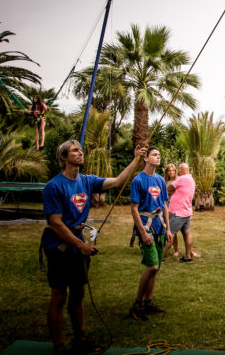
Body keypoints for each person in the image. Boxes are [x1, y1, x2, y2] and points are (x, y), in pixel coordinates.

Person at [41, 140, 147, 355]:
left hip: (78, 247)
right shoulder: (54, 186)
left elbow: (117, 182)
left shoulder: (88, 181)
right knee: (59, 295)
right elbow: (55, 223)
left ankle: (80, 338)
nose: (80, 153)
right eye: (74, 151)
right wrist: (81, 245)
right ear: (63, 157)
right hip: (59, 247)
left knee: (78, 293)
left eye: (80, 150)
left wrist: (136, 159)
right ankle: (59, 346)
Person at [129, 146, 170, 320]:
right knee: (152, 265)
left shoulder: (160, 180)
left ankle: (148, 302)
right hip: (146, 228)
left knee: (156, 268)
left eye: (159, 155)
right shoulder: (138, 180)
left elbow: (165, 205)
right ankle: (137, 304)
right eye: (154, 154)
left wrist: (168, 228)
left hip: (160, 227)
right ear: (146, 158)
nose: (158, 157)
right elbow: (134, 208)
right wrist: (142, 232)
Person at [163, 163, 199, 262]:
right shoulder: (191, 179)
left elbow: (169, 188)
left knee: (171, 233)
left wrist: (172, 191)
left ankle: (159, 257)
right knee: (187, 233)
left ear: (183, 170)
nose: (178, 171)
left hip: (178, 212)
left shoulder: (182, 178)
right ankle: (188, 256)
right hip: (186, 212)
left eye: (179, 169)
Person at [163, 163, 179, 256]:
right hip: (165, 206)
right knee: (167, 228)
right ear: (167, 172)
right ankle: (165, 246)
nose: (172, 172)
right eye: (170, 170)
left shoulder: (178, 181)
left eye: (173, 170)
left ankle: (176, 249)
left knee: (173, 229)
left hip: (175, 206)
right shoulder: (164, 181)